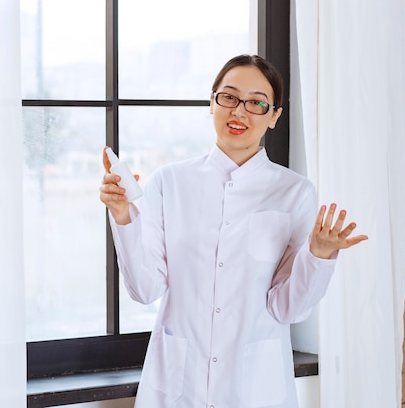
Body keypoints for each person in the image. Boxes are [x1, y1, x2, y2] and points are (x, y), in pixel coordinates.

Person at [100, 54, 368, 408]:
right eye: (229, 97)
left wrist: (317, 255)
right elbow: (145, 288)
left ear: (274, 117)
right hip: (179, 386)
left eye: (257, 103)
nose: (240, 111)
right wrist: (123, 216)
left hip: (255, 390)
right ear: (211, 103)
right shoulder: (170, 182)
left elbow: (287, 308)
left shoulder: (294, 192)